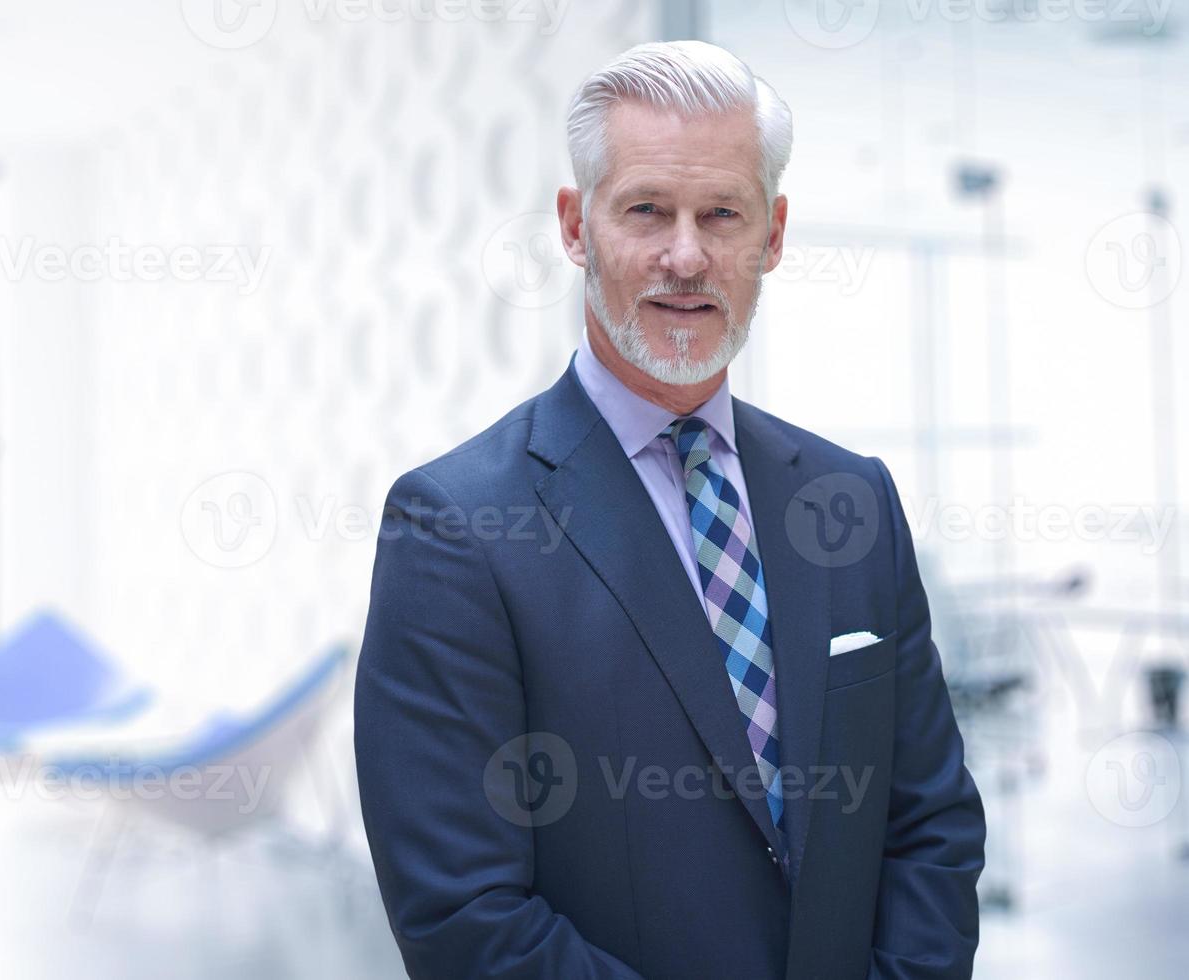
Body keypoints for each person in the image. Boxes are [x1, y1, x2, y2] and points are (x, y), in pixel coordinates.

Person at [354, 40, 984, 979]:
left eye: (722, 215)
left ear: (770, 237)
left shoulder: (851, 499)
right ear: (575, 227)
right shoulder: (455, 527)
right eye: (646, 209)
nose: (684, 256)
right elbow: (464, 918)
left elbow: (929, 823)